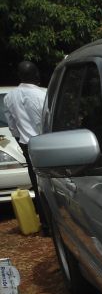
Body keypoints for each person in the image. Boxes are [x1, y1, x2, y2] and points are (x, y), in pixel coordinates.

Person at [4, 61, 48, 234]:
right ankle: (55, 222)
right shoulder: (43, 95)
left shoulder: (10, 97)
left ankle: (45, 224)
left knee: (38, 184)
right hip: (46, 144)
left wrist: (20, 143)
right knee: (53, 183)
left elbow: (12, 125)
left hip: (27, 145)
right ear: (36, 74)